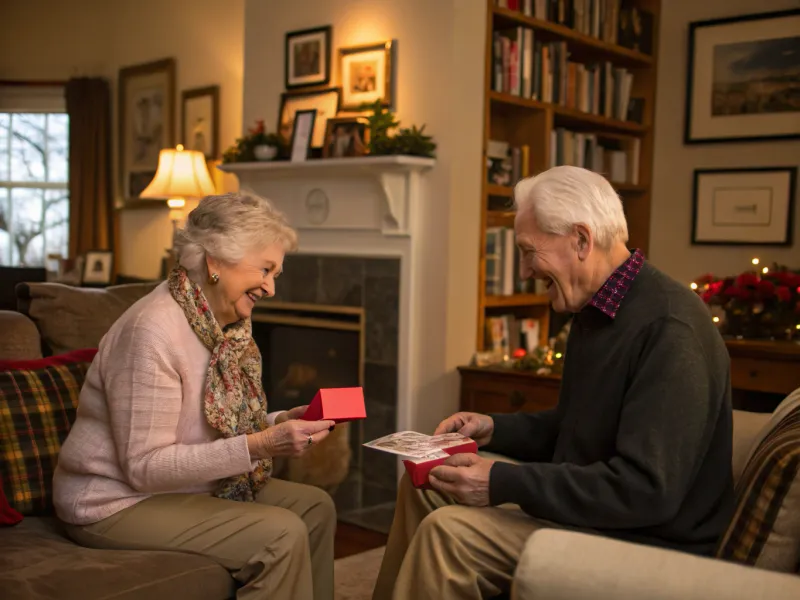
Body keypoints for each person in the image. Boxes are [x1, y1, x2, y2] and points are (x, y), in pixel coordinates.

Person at [372, 166, 734, 599]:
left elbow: (646, 491)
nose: (525, 271)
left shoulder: (670, 329)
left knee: (449, 533)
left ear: (581, 240)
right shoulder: (597, 311)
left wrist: (502, 481)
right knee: (428, 488)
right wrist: (493, 428)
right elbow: (578, 425)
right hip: (599, 520)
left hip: (651, 545)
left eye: (528, 251)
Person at [53, 192, 337, 600]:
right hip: (116, 500)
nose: (271, 287)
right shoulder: (152, 331)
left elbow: (208, 422)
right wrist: (262, 445)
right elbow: (144, 467)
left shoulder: (225, 325)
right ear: (217, 260)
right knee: (281, 532)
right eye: (265, 269)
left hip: (186, 486)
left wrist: (278, 423)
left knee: (316, 507)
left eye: (276, 273)